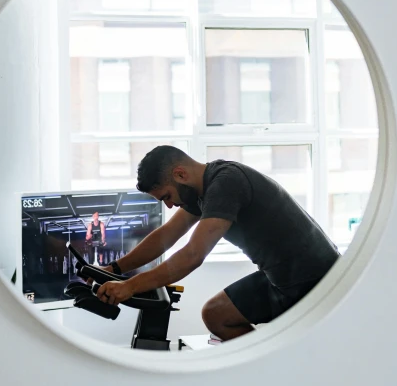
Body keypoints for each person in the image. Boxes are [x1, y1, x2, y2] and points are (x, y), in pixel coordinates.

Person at [95, 146, 340, 342]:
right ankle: (266, 369)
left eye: (167, 197)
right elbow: (166, 236)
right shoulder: (202, 191)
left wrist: (130, 286)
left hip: (313, 278)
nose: (169, 206)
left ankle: (273, 374)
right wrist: (114, 269)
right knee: (215, 314)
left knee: (218, 315)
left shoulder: (226, 183)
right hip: (280, 275)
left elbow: (193, 254)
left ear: (180, 174)